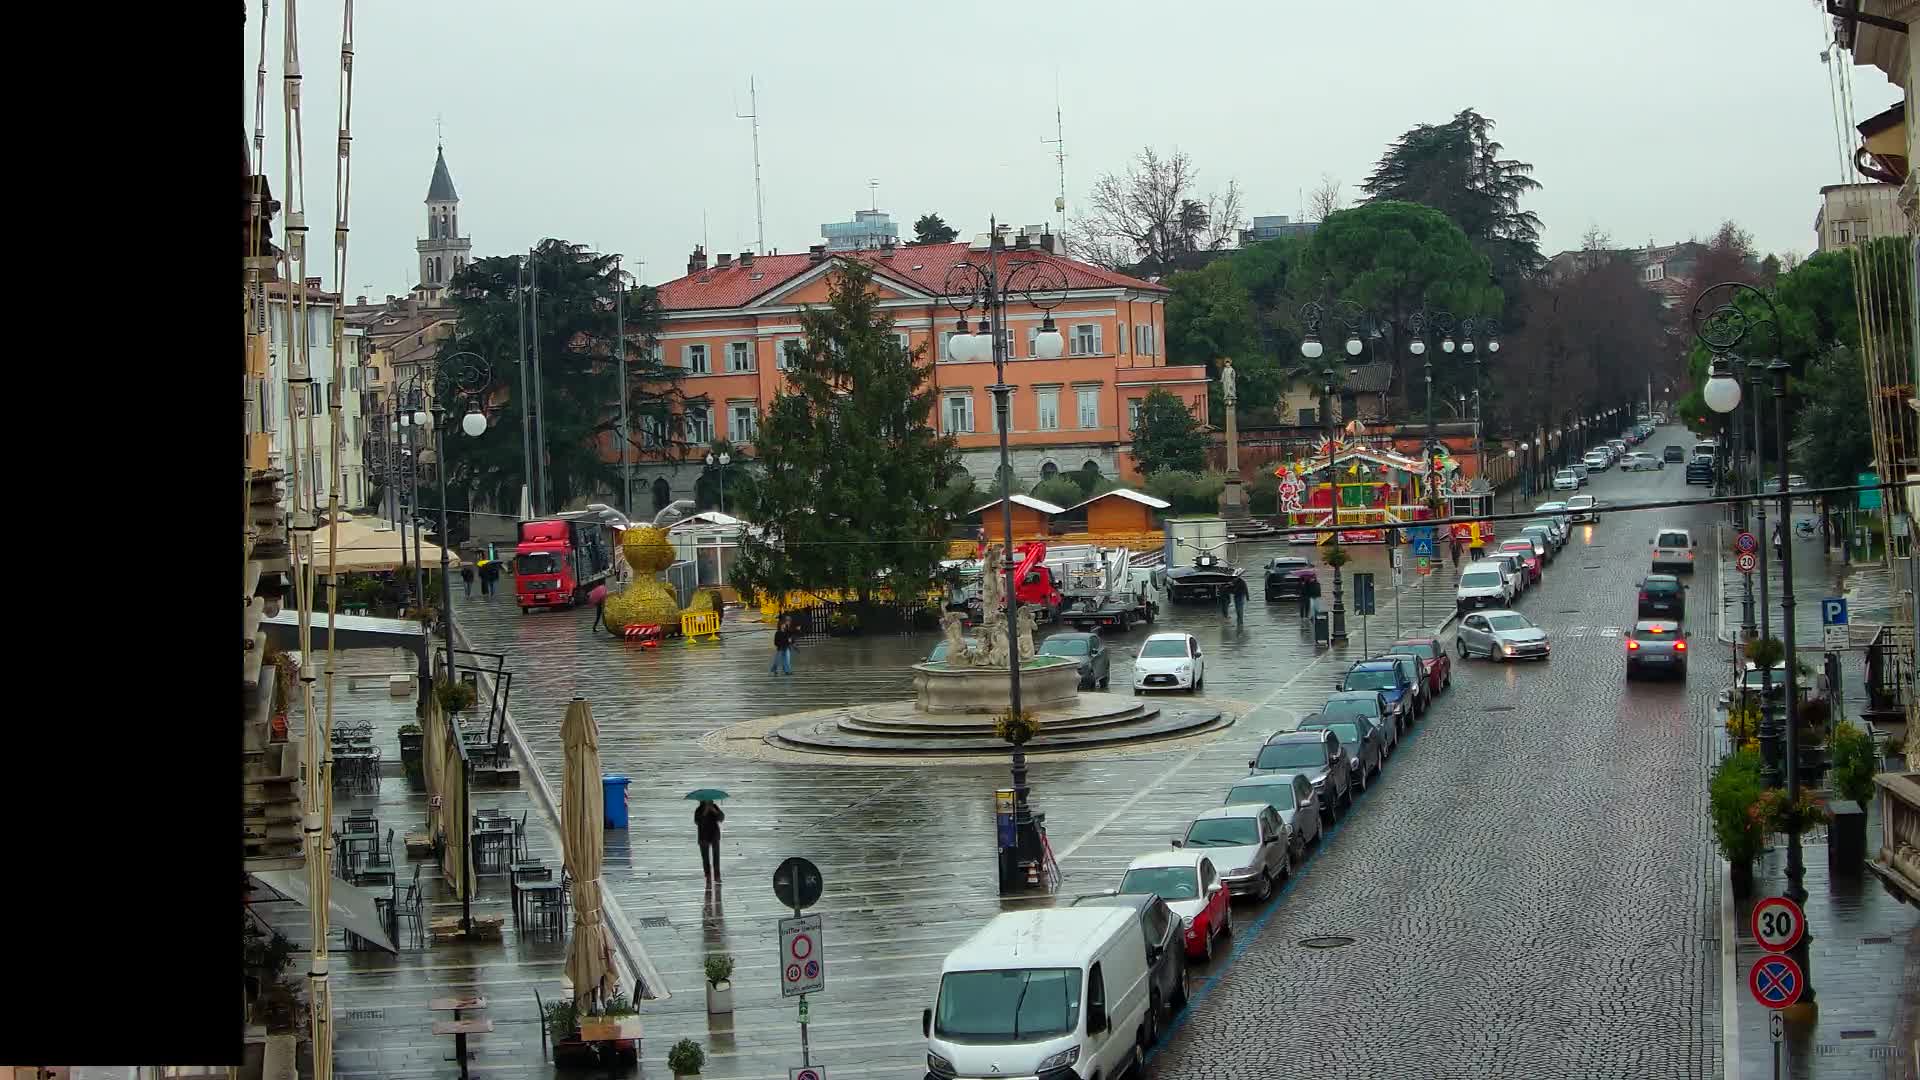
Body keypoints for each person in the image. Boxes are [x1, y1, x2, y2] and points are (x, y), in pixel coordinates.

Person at [695, 799, 725, 884]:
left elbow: (721, 818)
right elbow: (697, 821)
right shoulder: (699, 809)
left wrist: (714, 811)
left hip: (714, 835)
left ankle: (717, 876)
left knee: (716, 857)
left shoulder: (715, 807)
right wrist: (705, 811)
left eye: (710, 801)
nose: (709, 803)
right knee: (705, 858)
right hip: (703, 836)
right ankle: (708, 876)